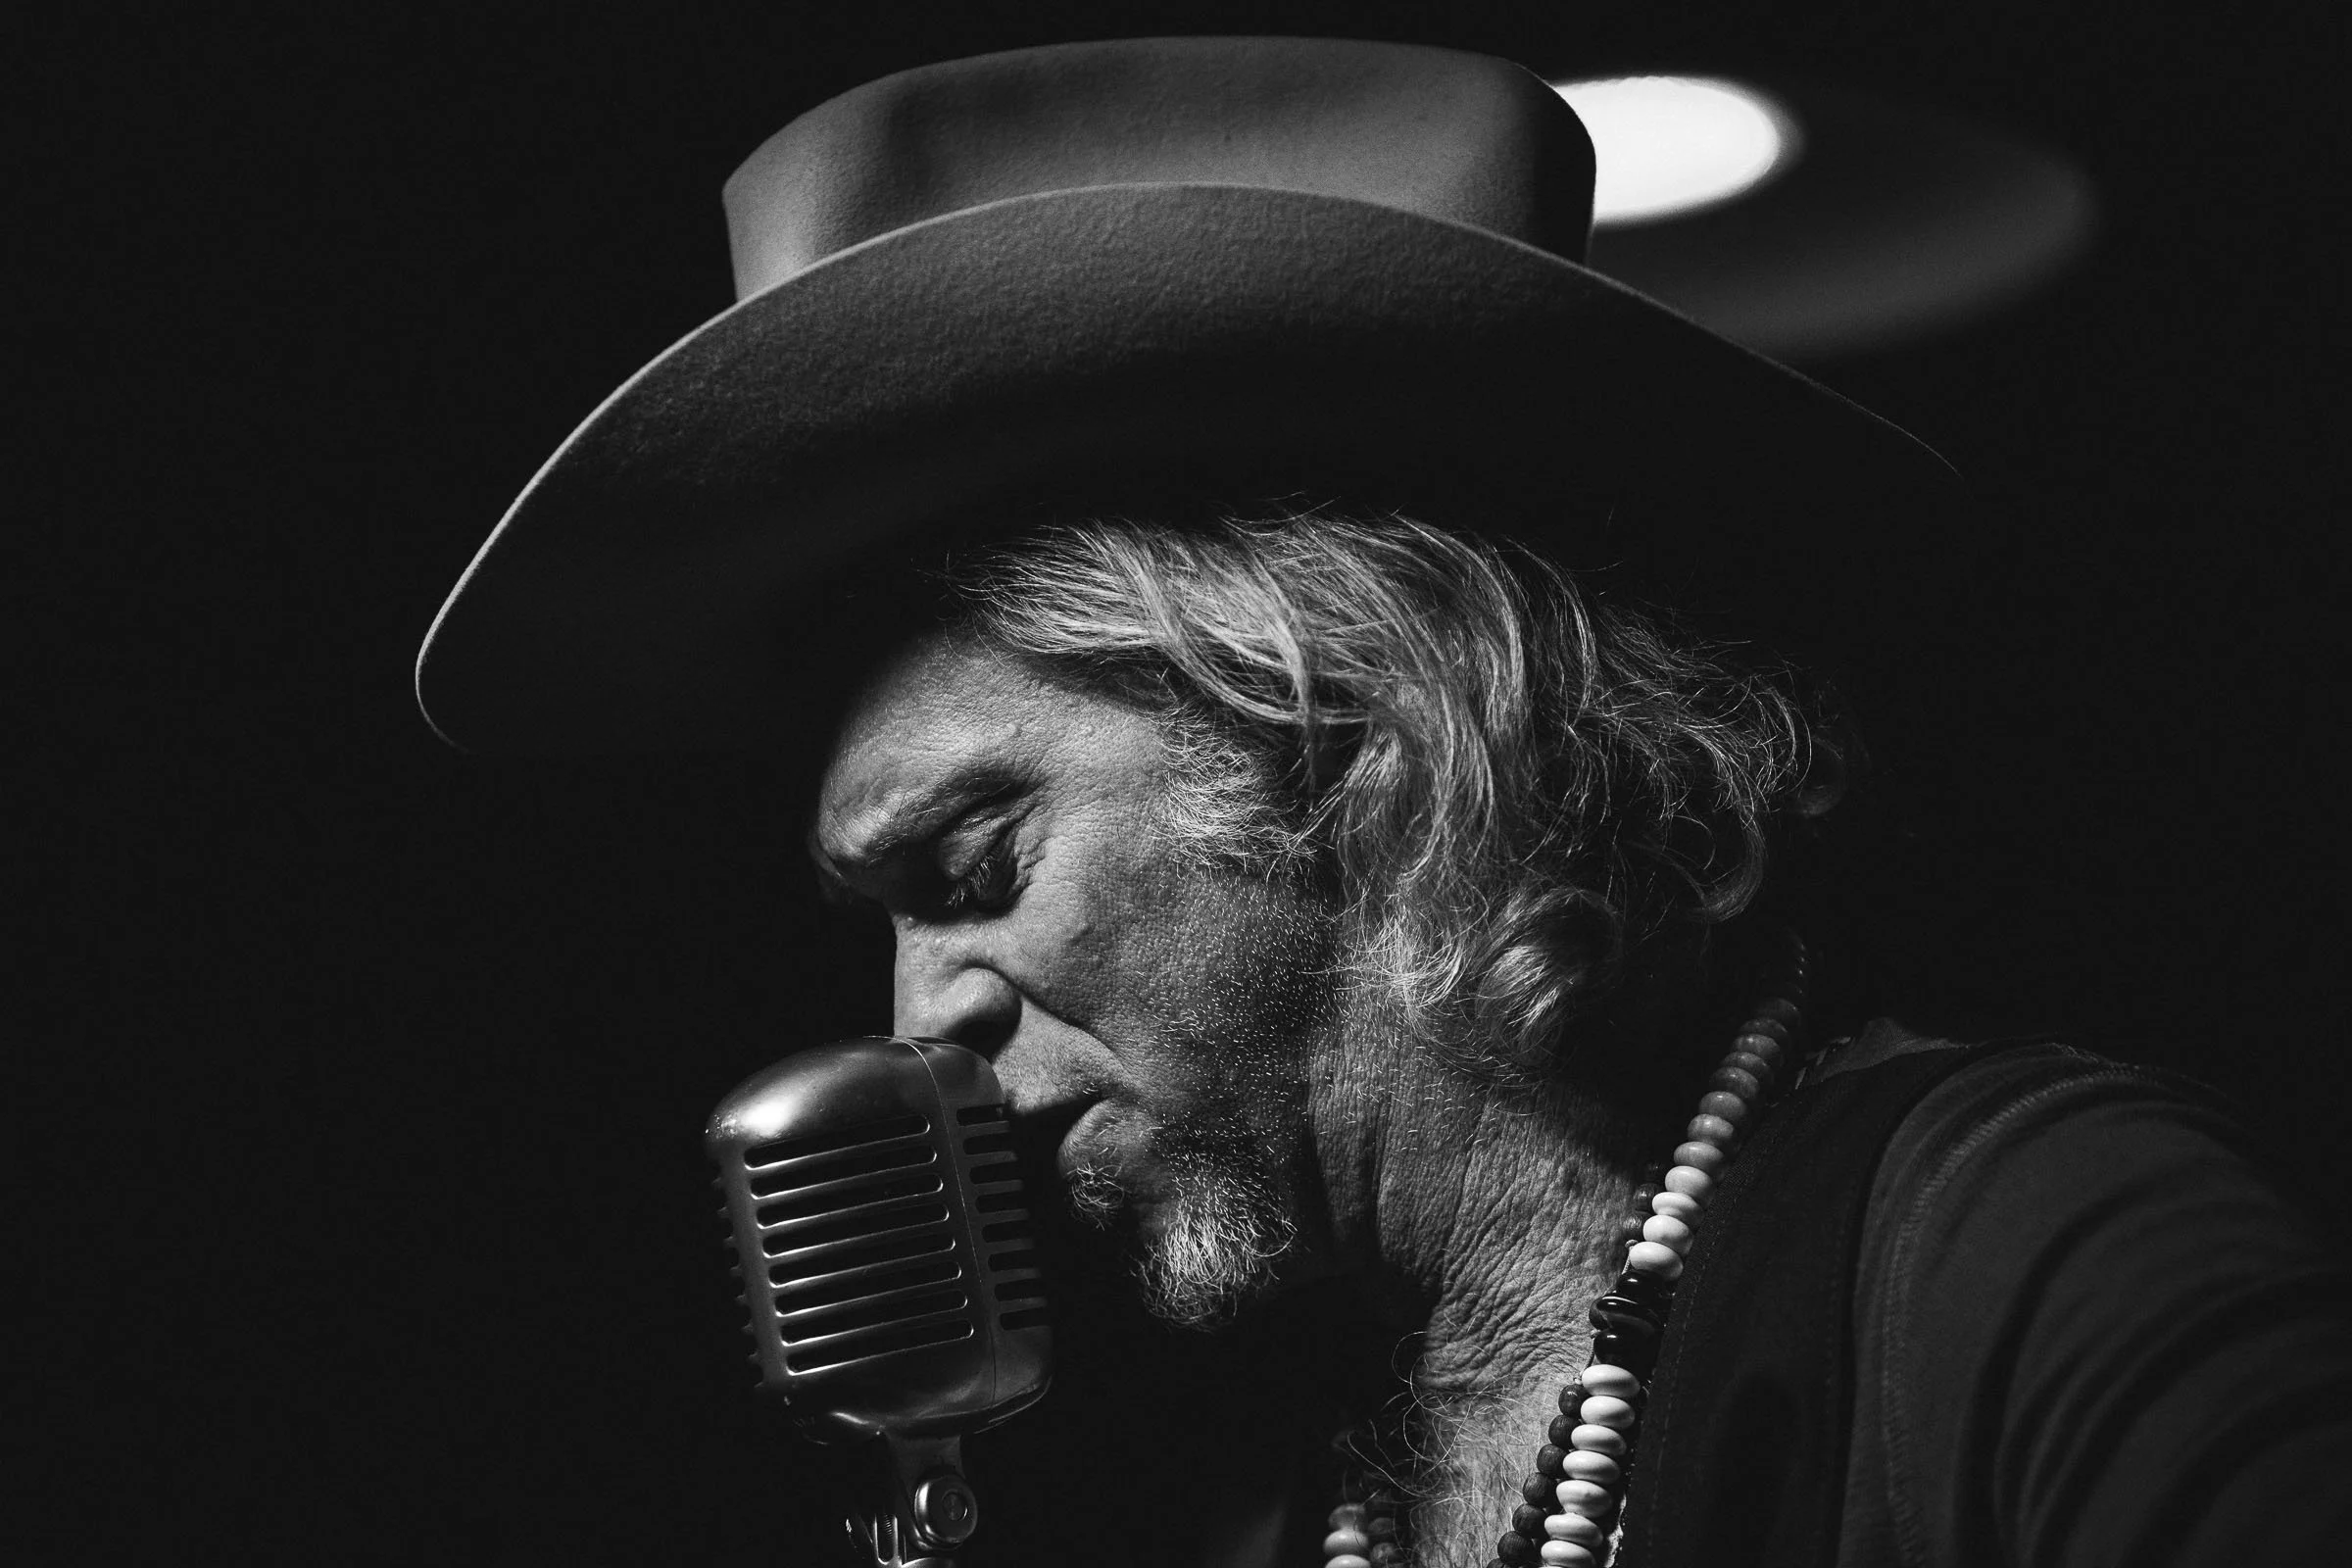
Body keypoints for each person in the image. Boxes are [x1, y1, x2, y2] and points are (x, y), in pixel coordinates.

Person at [416, 36, 2351, 1568]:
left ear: (1373, 749)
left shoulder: (2055, 1266)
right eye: (893, 922)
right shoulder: (1303, 1492)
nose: (921, 1014)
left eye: (981, 863)